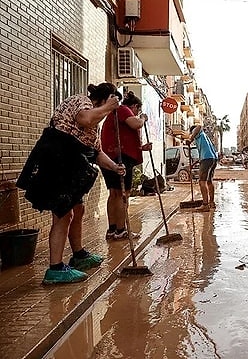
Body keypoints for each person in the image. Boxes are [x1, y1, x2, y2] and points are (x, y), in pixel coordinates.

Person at [16, 83, 125, 284]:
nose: (104, 114)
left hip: (70, 165)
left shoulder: (94, 127)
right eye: (105, 107)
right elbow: (85, 118)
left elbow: (98, 153)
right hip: (55, 159)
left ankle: (79, 255)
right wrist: (109, 107)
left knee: (79, 209)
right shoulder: (81, 101)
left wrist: (114, 167)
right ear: (101, 101)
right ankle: (55, 268)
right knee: (63, 214)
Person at [100, 90, 152, 240]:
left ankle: (112, 229)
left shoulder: (116, 114)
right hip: (119, 159)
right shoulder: (123, 110)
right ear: (134, 106)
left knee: (114, 194)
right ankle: (121, 230)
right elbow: (136, 124)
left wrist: (142, 147)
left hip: (109, 157)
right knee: (123, 195)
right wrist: (142, 118)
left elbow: (124, 140)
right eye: (137, 110)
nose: (136, 113)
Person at [188, 124, 218, 212]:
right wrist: (194, 163)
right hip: (212, 159)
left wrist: (191, 138)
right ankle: (211, 203)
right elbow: (203, 153)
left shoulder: (199, 133)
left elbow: (199, 126)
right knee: (209, 181)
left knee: (202, 181)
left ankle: (205, 205)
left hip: (207, 159)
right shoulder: (203, 138)